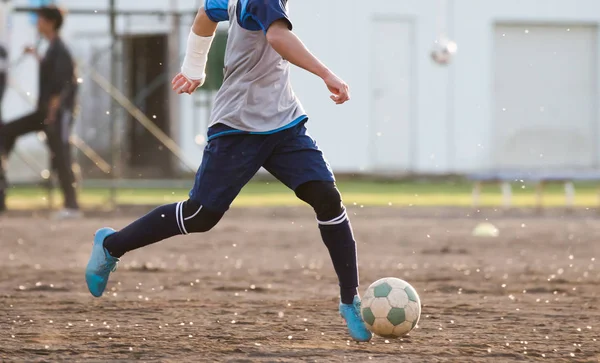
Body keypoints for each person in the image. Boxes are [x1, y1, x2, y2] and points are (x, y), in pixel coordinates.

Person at [85, 0, 372, 342]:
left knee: (327, 198)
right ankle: (111, 245)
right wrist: (327, 74)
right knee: (200, 216)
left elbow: (207, 12)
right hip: (237, 124)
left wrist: (194, 68)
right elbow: (278, 36)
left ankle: (349, 300)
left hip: (283, 121)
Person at [0, 6, 80, 218]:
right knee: (6, 131)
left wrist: (53, 114)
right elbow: (51, 71)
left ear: (50, 22)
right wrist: (35, 55)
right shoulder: (51, 48)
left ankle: (71, 206)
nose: (37, 23)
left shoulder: (60, 49)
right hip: (44, 112)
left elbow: (62, 85)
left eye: (40, 19)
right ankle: (2, 171)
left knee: (62, 155)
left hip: (56, 113)